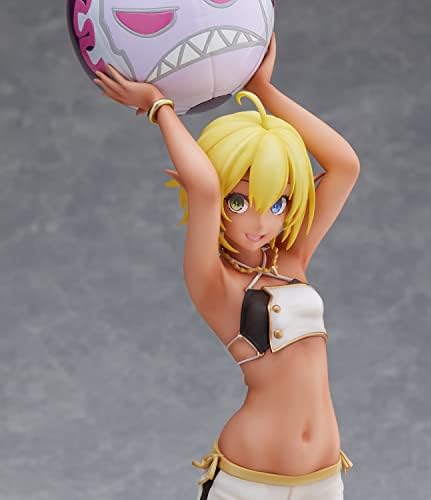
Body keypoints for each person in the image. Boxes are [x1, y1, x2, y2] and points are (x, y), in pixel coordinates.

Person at [94, 32, 360, 500]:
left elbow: (344, 165)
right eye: (239, 201)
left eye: (276, 203)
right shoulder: (214, 282)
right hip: (248, 483)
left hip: (323, 481)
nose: (260, 222)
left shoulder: (291, 257)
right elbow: (204, 187)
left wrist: (262, 91)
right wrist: (160, 107)